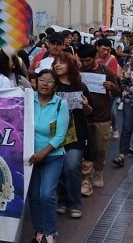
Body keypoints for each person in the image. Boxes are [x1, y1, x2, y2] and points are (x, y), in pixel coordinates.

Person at [28, 69, 69, 243]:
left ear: (56, 86)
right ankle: (39, 232)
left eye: (49, 81)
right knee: (34, 196)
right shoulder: (28, 100)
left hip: (52, 156)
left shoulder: (60, 104)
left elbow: (60, 136)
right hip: (30, 157)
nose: (44, 84)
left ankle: (50, 233)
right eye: (41, 80)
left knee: (46, 194)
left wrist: (42, 153)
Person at [52, 53, 93, 219]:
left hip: (76, 134)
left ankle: (75, 203)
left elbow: (90, 112)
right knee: (59, 168)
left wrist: (86, 105)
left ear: (70, 65)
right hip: (55, 134)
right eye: (56, 62)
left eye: (62, 62)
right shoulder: (52, 86)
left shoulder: (80, 87)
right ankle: (62, 201)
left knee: (72, 166)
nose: (57, 65)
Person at [76, 44, 120, 197]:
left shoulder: (105, 71)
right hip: (84, 117)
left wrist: (112, 87)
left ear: (95, 57)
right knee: (86, 149)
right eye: (82, 60)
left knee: (101, 149)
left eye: (87, 60)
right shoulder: (78, 72)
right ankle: (86, 179)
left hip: (102, 117)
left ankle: (99, 170)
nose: (85, 63)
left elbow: (118, 91)